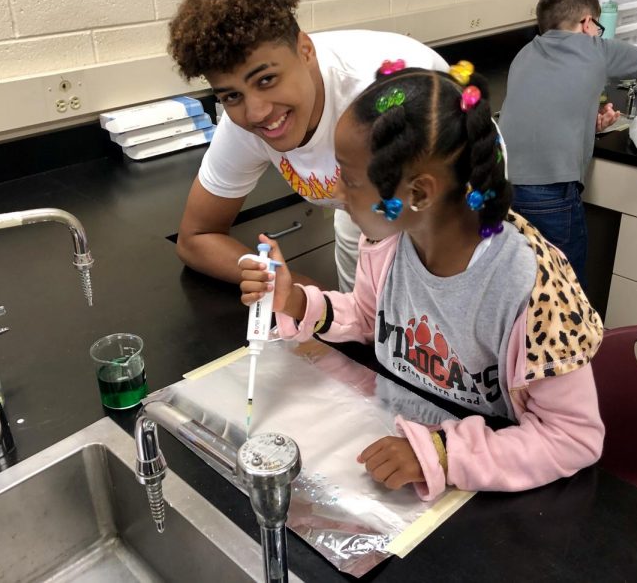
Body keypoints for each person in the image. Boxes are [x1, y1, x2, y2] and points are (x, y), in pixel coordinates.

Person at [239, 66, 606, 500]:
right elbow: (369, 316)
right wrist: (297, 302)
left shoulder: (532, 287)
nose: (338, 191)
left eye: (352, 180)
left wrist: (441, 454)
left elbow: (572, 438)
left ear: (417, 194)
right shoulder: (388, 240)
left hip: (484, 488)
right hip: (395, 440)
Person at [168, 0, 448, 291]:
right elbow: (196, 237)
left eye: (267, 79)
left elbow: (452, 235)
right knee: (363, 331)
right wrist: (292, 290)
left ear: (305, 50)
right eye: (231, 95)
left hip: (447, 208)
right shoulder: (242, 122)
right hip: (361, 221)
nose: (256, 112)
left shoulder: (386, 90)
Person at [499, 0, 637, 283]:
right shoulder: (594, 47)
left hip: (502, 184)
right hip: (550, 190)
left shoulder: (526, 53)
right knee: (564, 287)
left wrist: (587, 122)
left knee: (521, 277)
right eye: (598, 26)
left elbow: (541, 110)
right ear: (586, 23)